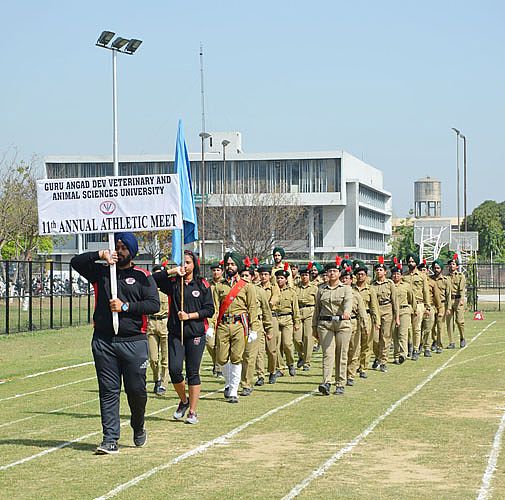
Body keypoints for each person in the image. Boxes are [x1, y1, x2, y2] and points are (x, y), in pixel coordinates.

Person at [70, 232, 160, 455]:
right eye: (116, 246)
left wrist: (126, 307)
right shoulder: (101, 272)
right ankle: (110, 438)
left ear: (132, 251)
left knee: (136, 391)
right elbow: (76, 262)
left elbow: (153, 304)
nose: (118, 251)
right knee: (109, 391)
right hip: (104, 342)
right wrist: (100, 255)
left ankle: (138, 425)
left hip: (134, 342)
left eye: (123, 248)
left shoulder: (143, 276)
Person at [153, 250, 214, 424]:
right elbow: (152, 279)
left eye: (188, 262)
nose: (185, 265)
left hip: (195, 333)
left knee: (192, 373)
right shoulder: (174, 283)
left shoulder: (202, 284)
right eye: (183, 262)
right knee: (174, 370)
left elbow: (210, 310)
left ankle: (193, 411)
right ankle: (184, 401)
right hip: (176, 334)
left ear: (195, 264)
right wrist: (172, 271)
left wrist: (190, 315)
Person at [211, 252, 261, 403]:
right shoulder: (219, 286)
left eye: (233, 264)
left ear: (238, 266)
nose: (230, 267)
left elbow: (252, 308)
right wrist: (211, 326)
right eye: (228, 264)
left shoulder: (247, 286)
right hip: (223, 325)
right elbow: (215, 308)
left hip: (240, 325)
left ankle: (233, 390)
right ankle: (228, 382)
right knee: (220, 358)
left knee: (236, 358)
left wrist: (254, 329)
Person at [313, 258, 353, 395]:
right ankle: (326, 382)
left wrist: (347, 312)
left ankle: (340, 383)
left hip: (342, 324)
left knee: (341, 353)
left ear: (339, 273)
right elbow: (317, 309)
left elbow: (348, 303)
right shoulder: (321, 289)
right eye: (329, 271)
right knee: (327, 354)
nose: (332, 274)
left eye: (335, 271)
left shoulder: (346, 289)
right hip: (325, 324)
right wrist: (314, 327)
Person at [239, 263, 273, 396]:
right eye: (242, 276)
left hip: (255, 325)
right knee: (238, 356)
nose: (244, 278)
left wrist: (269, 328)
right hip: (239, 325)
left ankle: (247, 384)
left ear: (253, 277)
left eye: (247, 276)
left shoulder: (259, 291)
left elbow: (266, 310)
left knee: (250, 355)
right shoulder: (236, 290)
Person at [371, 257, 399, 372]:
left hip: (387, 310)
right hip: (376, 310)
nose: (378, 272)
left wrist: (397, 317)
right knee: (375, 339)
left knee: (385, 337)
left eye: (380, 270)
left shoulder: (390, 283)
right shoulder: (372, 284)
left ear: (385, 272)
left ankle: (383, 361)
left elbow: (395, 300)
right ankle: (377, 356)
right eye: (377, 270)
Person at [340, 267, 367, 386]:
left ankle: (350, 374)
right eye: (342, 278)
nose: (344, 280)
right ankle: (341, 374)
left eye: (346, 278)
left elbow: (362, 311)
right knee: (341, 351)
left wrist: (365, 325)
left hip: (353, 323)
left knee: (353, 350)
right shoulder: (337, 293)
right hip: (340, 324)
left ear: (351, 280)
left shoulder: (356, 295)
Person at [353, 263, 379, 379]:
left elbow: (374, 306)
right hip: (354, 318)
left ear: (366, 276)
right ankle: (355, 365)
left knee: (367, 344)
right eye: (358, 274)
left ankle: (363, 367)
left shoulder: (370, 290)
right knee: (355, 344)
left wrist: (377, 321)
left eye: (362, 274)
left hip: (367, 318)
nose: (360, 277)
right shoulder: (351, 289)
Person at [274, 266, 301, 376]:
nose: (279, 280)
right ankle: (280, 368)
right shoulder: (273, 290)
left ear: (286, 279)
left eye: (281, 278)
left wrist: (297, 322)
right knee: (276, 345)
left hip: (287, 319)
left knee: (287, 344)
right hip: (275, 318)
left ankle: (290, 363)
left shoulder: (291, 292)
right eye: (278, 278)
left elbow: (295, 308)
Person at [147, 264, 170, 396]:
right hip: (151, 322)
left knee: (165, 358)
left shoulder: (168, 290)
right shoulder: (149, 290)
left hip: (164, 322)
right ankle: (156, 379)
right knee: (153, 358)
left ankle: (163, 383)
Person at [256, 264, 281, 385]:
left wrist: (266, 304)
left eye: (265, 274)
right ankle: (260, 375)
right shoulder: (255, 288)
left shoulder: (274, 288)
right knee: (259, 350)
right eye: (261, 274)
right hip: (259, 320)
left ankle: (272, 371)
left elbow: (274, 300)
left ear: (270, 275)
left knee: (271, 349)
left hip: (272, 318)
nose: (263, 277)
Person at [403, 253, 430, 361]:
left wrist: (427, 306)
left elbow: (426, 291)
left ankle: (415, 349)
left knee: (417, 328)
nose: (411, 263)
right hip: (407, 304)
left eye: (413, 262)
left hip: (418, 304)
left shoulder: (422, 276)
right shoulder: (404, 276)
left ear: (416, 263)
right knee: (407, 328)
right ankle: (409, 346)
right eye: (409, 262)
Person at [294, 264, 318, 370]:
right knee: (296, 338)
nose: (304, 277)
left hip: (310, 312)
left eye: (306, 275)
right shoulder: (296, 288)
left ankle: (307, 362)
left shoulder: (314, 288)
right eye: (302, 275)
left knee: (308, 337)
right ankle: (301, 356)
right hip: (298, 311)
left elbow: (318, 303)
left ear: (309, 276)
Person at [391, 264, 416, 364]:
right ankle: (396, 355)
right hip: (392, 312)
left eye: (398, 274)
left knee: (402, 334)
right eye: (394, 274)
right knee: (394, 335)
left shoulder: (406, 286)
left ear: (401, 275)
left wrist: (413, 311)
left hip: (404, 310)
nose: (396, 276)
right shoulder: (390, 285)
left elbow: (412, 299)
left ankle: (403, 354)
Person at [430, 259, 452, 353]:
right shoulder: (430, 279)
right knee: (431, 326)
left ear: (441, 269)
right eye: (434, 268)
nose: (436, 270)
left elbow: (449, 295)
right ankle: (434, 340)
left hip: (442, 305)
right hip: (432, 305)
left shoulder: (445, 280)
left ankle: (440, 345)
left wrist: (449, 308)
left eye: (438, 268)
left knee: (440, 326)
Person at [207, 261, 224, 377]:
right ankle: (216, 363)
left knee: (221, 344)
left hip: (223, 316)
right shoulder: (208, 285)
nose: (216, 272)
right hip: (210, 317)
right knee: (210, 343)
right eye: (214, 270)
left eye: (218, 270)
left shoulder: (225, 284)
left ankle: (219, 368)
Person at [446, 254, 466, 348]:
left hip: (458, 300)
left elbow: (461, 288)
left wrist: (461, 299)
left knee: (459, 321)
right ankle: (451, 342)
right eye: (450, 264)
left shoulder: (461, 276)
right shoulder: (446, 277)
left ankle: (462, 337)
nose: (451, 265)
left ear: (457, 266)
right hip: (449, 300)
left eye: (453, 264)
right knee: (449, 322)